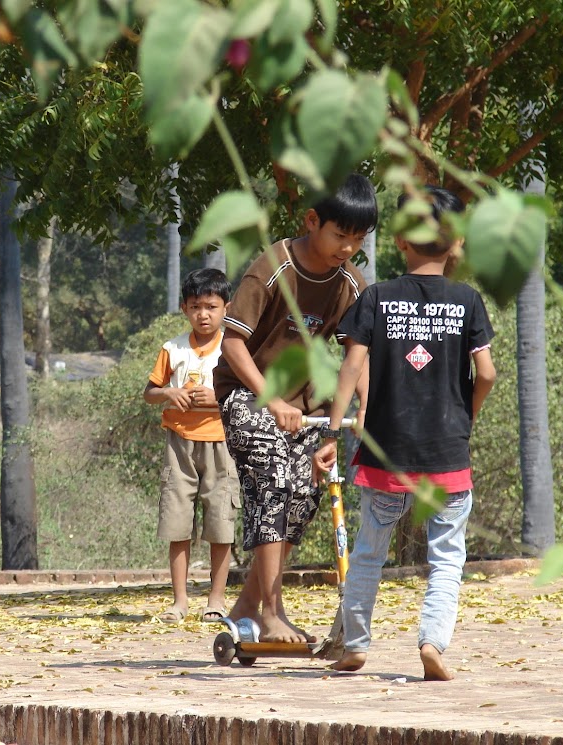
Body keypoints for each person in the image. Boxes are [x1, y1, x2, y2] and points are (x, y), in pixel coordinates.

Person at [315, 186, 497, 681]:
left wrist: (330, 433)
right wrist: (467, 417)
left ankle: (354, 644)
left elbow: (352, 368)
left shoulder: (375, 297)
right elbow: (486, 374)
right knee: (446, 559)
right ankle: (433, 643)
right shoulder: (467, 301)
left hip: (383, 455)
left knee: (368, 553)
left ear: (400, 240)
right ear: (456, 242)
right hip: (446, 454)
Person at [213, 174, 377, 643]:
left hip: (305, 407)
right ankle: (270, 609)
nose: (347, 248)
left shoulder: (350, 283)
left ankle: (247, 607)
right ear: (311, 221)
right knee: (273, 476)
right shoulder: (274, 265)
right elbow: (232, 344)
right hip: (245, 394)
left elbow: (356, 352)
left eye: (357, 240)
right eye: (339, 236)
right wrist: (273, 400)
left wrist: (362, 405)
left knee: (303, 494)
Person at [144, 268, 240, 623]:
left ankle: (216, 600)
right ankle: (180, 601)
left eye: (211, 307)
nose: (204, 314)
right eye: (196, 306)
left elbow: (251, 395)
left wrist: (218, 398)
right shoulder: (173, 349)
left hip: (222, 443)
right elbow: (150, 392)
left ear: (225, 308)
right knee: (177, 523)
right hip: (179, 444)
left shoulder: (234, 348)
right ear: (184, 308)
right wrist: (169, 393)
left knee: (220, 523)